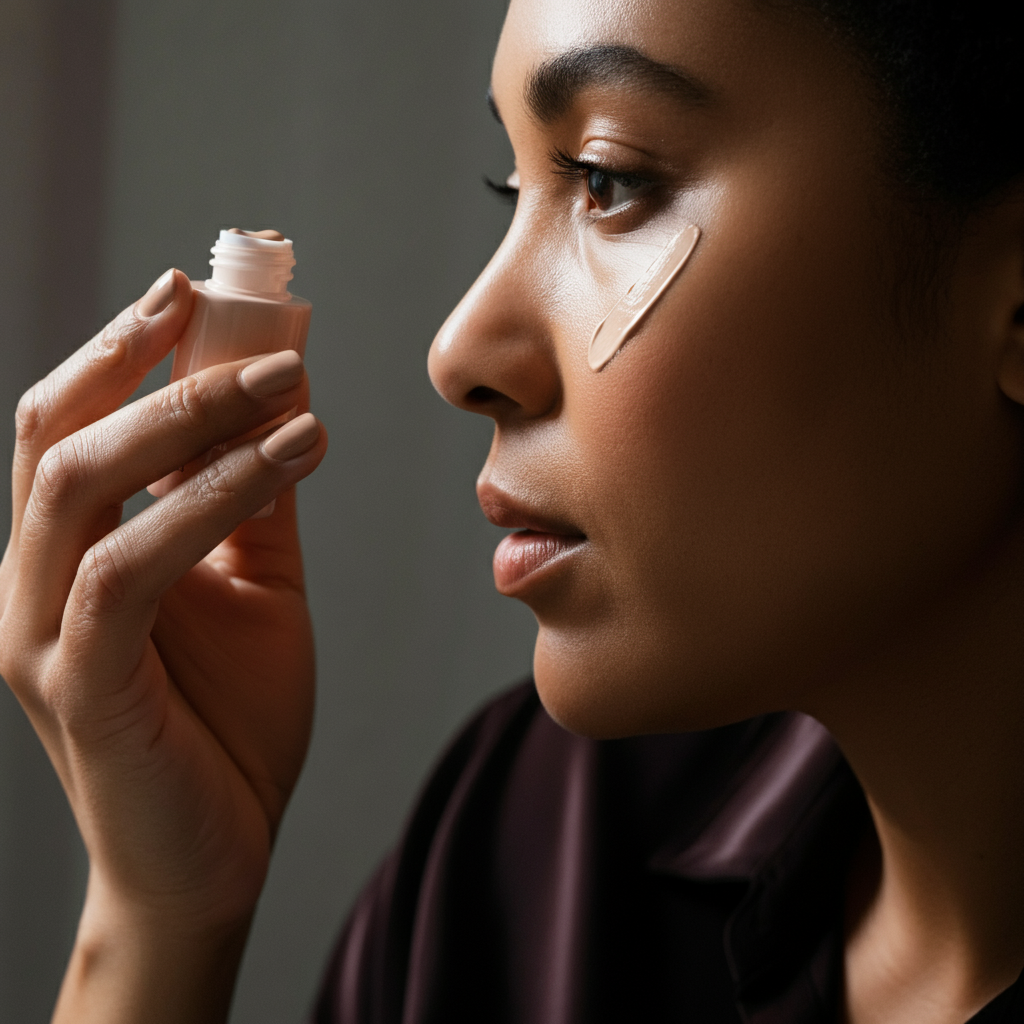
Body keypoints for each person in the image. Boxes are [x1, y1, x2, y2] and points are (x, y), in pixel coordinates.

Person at [2, 0, 1024, 1020]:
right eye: (513, 184)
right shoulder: (538, 846)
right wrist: (157, 917)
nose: (458, 352)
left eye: (608, 179)